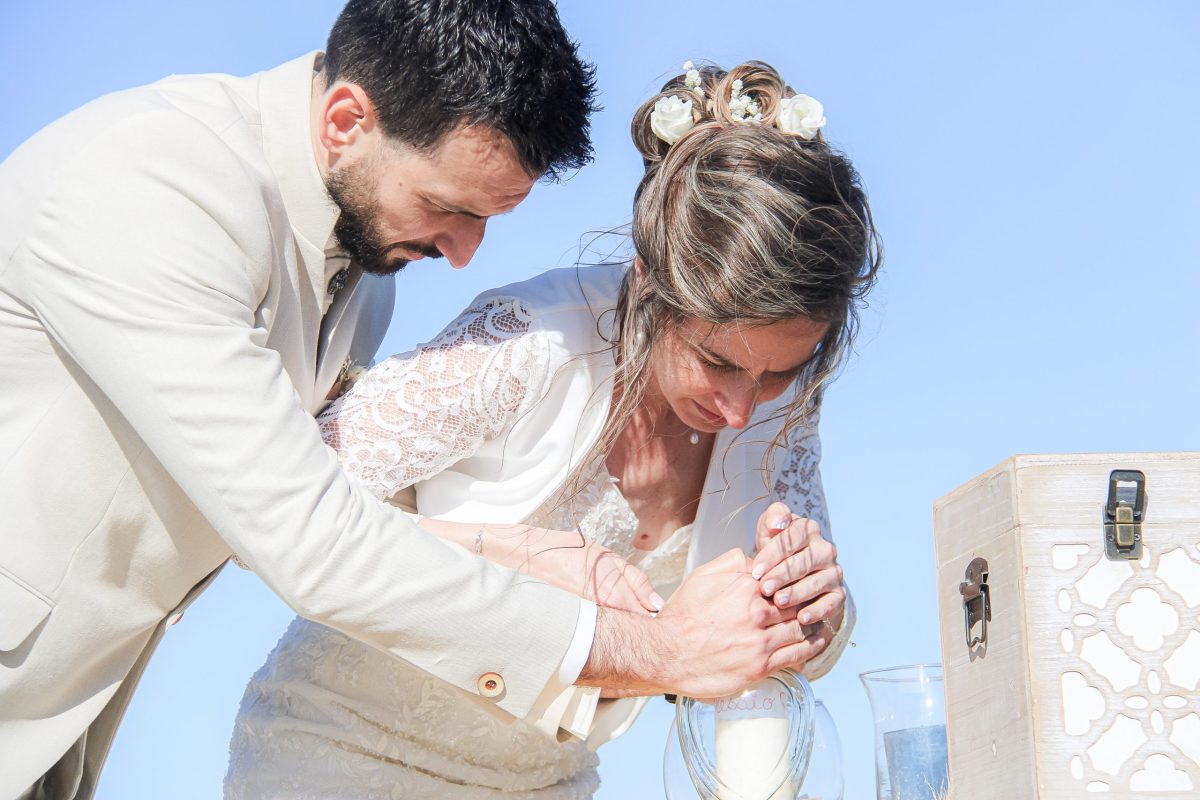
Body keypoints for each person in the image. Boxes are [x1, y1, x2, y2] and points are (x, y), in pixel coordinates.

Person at [0, 4, 817, 797]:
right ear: (347, 119)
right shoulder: (153, 182)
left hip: (66, 716)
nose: (463, 254)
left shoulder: (366, 274)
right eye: (449, 208)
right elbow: (303, 532)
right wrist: (647, 643)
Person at [225, 59, 880, 798]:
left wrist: (817, 611)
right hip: (347, 757)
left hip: (548, 781)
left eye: (780, 372)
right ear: (645, 283)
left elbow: (759, 648)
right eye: (715, 361)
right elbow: (277, 515)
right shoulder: (528, 341)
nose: (742, 408)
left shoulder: (779, 405)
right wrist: (520, 559)